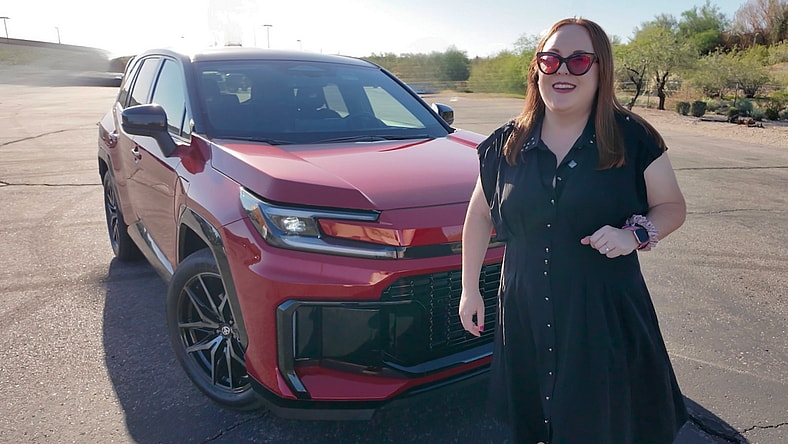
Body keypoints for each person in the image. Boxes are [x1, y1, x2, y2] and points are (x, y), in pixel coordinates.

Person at [459, 17, 688, 444]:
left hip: (603, 317)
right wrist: (469, 290)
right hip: (525, 312)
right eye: (551, 60)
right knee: (535, 422)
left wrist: (634, 236)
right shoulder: (506, 144)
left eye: (579, 60)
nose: (562, 70)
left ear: (601, 69)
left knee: (602, 425)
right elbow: (479, 217)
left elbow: (672, 207)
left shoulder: (631, 138)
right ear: (537, 68)